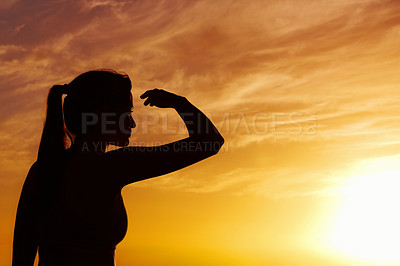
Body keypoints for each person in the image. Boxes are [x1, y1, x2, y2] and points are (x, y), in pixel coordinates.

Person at [12, 70, 224, 266]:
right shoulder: (113, 168)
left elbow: (22, 256)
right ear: (104, 114)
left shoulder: (41, 171)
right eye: (127, 113)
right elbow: (210, 142)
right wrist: (179, 102)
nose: (132, 124)